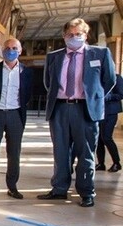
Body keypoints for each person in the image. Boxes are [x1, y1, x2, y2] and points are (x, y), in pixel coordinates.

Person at [38, 18, 115, 208]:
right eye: (70, 35)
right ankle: (59, 189)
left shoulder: (101, 53)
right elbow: (49, 83)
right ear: (64, 36)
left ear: (85, 35)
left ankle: (87, 192)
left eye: (78, 34)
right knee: (60, 152)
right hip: (60, 109)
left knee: (86, 152)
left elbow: (109, 80)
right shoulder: (54, 57)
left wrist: (93, 98)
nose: (74, 38)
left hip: (85, 110)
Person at [0, 38, 33, 199]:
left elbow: (27, 95)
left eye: (14, 48)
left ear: (20, 51)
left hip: (15, 114)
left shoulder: (26, 72)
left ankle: (12, 186)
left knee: (14, 152)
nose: (10, 50)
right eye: (7, 48)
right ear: (2, 50)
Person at [96, 73, 123, 172]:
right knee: (98, 139)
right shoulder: (98, 77)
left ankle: (117, 163)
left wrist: (108, 97)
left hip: (111, 111)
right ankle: (101, 164)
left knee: (106, 137)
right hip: (99, 111)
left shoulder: (116, 78)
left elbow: (121, 94)